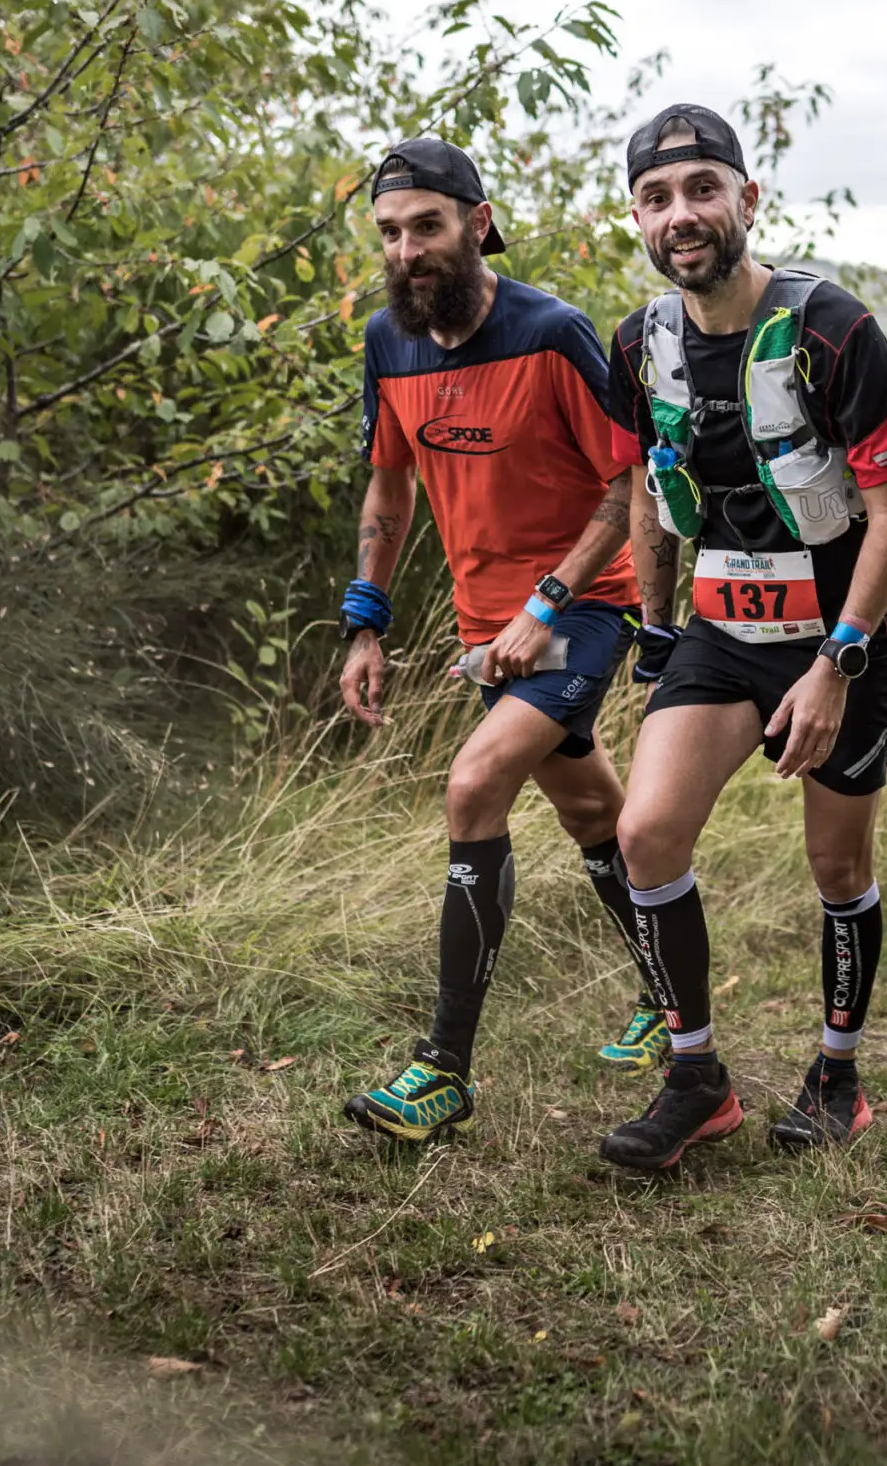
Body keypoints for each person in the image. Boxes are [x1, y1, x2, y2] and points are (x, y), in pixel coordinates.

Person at [594, 105, 887, 1171]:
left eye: (701, 189)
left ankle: (838, 1074)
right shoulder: (638, 346)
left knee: (835, 862)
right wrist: (652, 629)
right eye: (656, 198)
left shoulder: (833, 329)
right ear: (638, 221)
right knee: (646, 836)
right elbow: (648, 493)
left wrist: (837, 664)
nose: (680, 214)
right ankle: (697, 1079)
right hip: (722, 632)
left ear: (747, 199)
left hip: (843, 634)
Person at [336, 137, 677, 1142]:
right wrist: (367, 619)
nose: (407, 251)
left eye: (426, 227)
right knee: (592, 812)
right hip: (491, 628)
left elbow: (630, 485)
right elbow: (390, 485)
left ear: (476, 224)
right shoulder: (387, 345)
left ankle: (443, 1072)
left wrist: (546, 603)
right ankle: (671, 999)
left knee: (474, 783)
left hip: (583, 608)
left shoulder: (553, 334)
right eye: (391, 233)